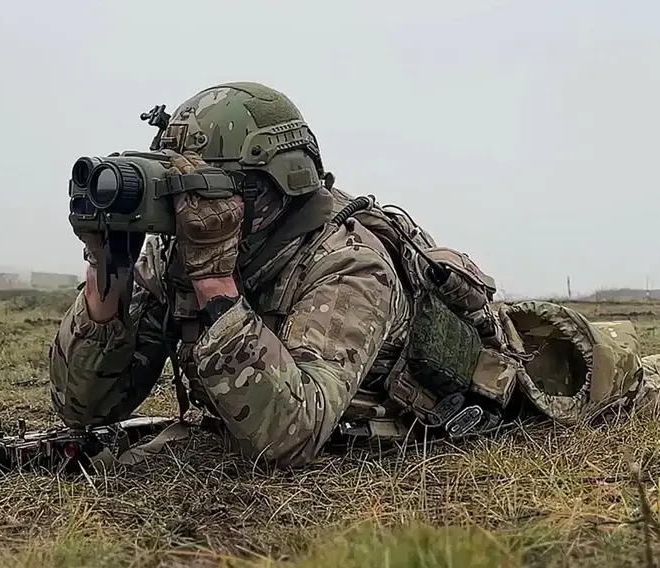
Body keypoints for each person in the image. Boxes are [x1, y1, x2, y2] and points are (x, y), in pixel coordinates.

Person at [48, 81, 655, 469]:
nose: (186, 209)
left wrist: (215, 288)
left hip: (498, 386)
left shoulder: (348, 262)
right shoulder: (181, 250)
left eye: (203, 188)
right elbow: (84, 407)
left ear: (271, 189)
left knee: (607, 364)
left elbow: (290, 435)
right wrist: (108, 276)